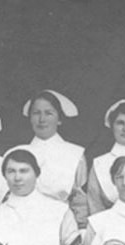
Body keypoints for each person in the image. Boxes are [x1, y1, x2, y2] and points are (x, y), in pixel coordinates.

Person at [22, 90, 88, 226]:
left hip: (61, 224)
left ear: (59, 120)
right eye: (36, 113)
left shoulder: (74, 154)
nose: (42, 120)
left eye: (48, 113)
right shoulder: (19, 153)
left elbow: (80, 200)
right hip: (24, 222)